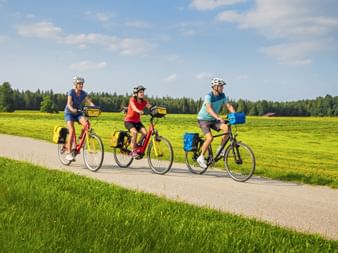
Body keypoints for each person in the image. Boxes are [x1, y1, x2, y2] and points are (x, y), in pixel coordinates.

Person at [196, 78, 236, 169]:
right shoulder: (208, 96)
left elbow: (228, 105)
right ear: (215, 87)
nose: (222, 88)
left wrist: (235, 114)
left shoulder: (222, 95)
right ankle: (201, 157)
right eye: (221, 86)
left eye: (222, 86)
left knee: (226, 128)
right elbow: (209, 109)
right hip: (203, 120)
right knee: (210, 138)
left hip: (213, 120)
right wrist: (218, 117)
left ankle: (221, 148)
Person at [64, 76, 95, 161]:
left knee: (87, 124)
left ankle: (80, 140)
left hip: (78, 113)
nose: (81, 85)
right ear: (75, 84)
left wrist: (95, 108)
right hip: (69, 113)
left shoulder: (83, 93)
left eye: (82, 84)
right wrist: (72, 109)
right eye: (79, 84)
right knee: (71, 131)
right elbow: (68, 104)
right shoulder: (71, 92)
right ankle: (68, 152)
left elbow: (89, 102)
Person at [124, 85, 151, 157]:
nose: (142, 93)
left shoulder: (144, 101)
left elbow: (150, 107)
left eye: (143, 92)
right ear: (136, 93)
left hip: (137, 121)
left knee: (145, 133)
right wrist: (139, 111)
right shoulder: (132, 99)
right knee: (135, 132)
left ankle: (137, 145)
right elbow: (133, 107)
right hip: (129, 121)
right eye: (140, 92)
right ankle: (133, 151)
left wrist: (157, 111)